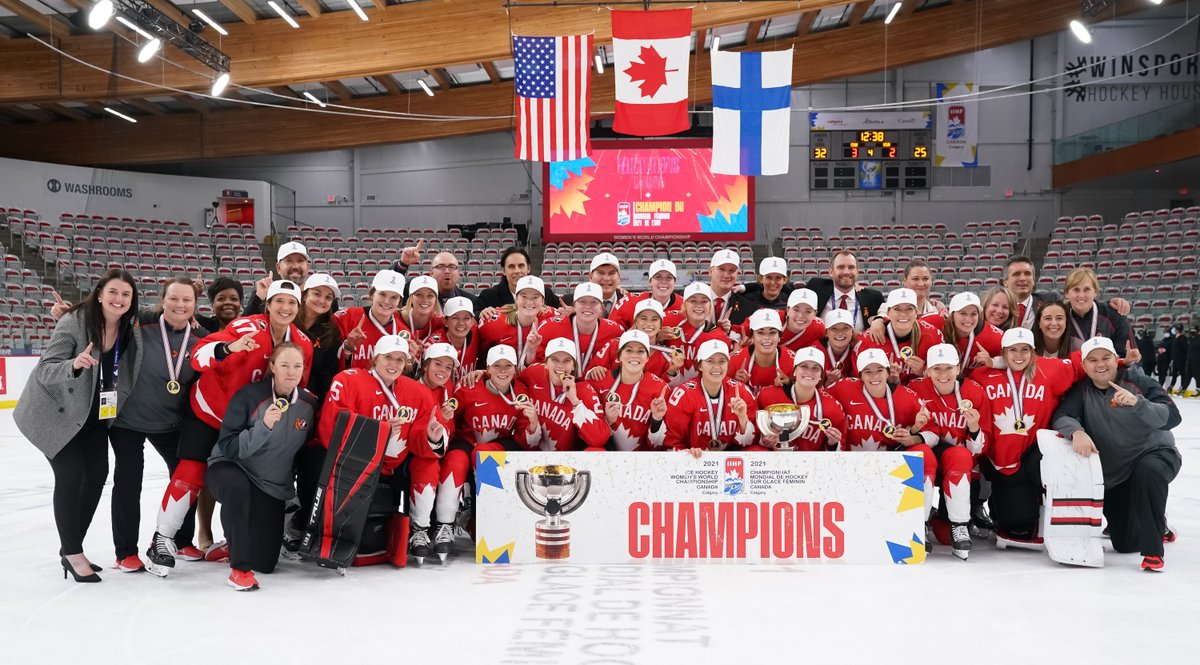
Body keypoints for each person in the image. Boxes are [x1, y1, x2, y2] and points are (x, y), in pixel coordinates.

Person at [145, 280, 313, 577]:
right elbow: (198, 355)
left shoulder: (303, 343)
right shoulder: (246, 327)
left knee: (258, 479)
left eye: (292, 303)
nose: (285, 308)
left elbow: (296, 387)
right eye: (279, 301)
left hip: (253, 423)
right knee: (192, 472)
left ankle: (237, 542)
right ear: (268, 304)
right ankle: (163, 538)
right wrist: (227, 348)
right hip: (211, 413)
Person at [15, 269, 142, 583]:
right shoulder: (74, 322)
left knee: (98, 475)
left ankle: (72, 547)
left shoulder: (130, 327)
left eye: (126, 294)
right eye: (113, 291)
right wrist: (74, 364)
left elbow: (170, 312)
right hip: (56, 413)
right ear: (99, 293)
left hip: (95, 415)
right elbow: (45, 369)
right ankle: (72, 553)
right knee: (71, 475)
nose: (119, 299)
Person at [1053, 337, 1182, 571]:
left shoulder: (1138, 381)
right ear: (1084, 366)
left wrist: (1139, 403)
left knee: (1148, 471)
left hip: (1157, 454)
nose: (1100, 364)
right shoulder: (1082, 391)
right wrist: (1077, 432)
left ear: (1116, 360)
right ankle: (1157, 525)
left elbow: (1173, 417)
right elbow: (1062, 415)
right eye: (1092, 360)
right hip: (1118, 474)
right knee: (1124, 543)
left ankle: (1153, 553)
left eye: (1105, 358)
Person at [107, 278, 209, 573]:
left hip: (172, 422)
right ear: (163, 300)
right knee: (128, 479)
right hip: (128, 420)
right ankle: (125, 551)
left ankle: (182, 539)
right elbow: (108, 312)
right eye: (174, 299)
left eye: (186, 300)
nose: (180, 305)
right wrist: (67, 314)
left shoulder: (203, 338)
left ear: (194, 305)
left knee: (185, 476)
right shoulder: (142, 324)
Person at [319, 335, 447, 564]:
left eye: (400, 360)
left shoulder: (418, 393)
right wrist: (379, 431)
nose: (394, 364)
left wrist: (432, 437)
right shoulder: (348, 380)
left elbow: (420, 438)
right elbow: (333, 425)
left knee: (428, 464)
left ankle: (419, 530)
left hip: (394, 469)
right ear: (375, 358)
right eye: (388, 357)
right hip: (353, 465)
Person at [208, 342, 317, 590]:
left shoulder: (309, 404)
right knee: (237, 487)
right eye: (285, 365)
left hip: (269, 484)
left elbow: (303, 448)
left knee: (266, 563)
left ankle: (234, 543)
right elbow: (229, 447)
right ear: (272, 367)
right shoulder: (250, 396)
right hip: (231, 467)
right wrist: (264, 428)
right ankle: (239, 569)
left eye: (297, 366)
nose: (291, 371)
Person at [969, 327, 1080, 545]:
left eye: (1024, 350)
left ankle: (1039, 504)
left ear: (1033, 352)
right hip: (996, 456)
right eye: (1013, 350)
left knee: (1021, 527)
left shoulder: (1049, 369)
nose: (1019, 356)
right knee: (1011, 523)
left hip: (1031, 455)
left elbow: (1083, 364)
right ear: (1003, 353)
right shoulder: (981, 375)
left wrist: (1122, 362)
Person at [441, 345, 540, 540]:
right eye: (497, 366)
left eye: (507, 366)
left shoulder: (520, 391)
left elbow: (526, 441)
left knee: (484, 454)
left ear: (515, 368)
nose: (502, 371)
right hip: (466, 440)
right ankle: (443, 524)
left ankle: (489, 522)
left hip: (497, 445)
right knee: (456, 462)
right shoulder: (468, 387)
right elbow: (452, 420)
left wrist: (533, 422)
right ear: (487, 368)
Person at [828, 349, 937, 523]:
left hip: (891, 470)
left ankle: (919, 524)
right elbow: (818, 397)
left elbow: (934, 433)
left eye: (879, 370)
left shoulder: (907, 397)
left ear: (888, 372)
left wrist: (914, 436)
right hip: (851, 468)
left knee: (924, 453)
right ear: (860, 375)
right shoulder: (844, 387)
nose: (874, 376)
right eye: (868, 372)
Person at [907, 344, 990, 560]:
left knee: (944, 536)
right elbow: (908, 432)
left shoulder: (975, 392)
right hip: (928, 453)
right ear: (927, 371)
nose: (943, 375)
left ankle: (958, 525)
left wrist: (974, 429)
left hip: (957, 463)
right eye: (937, 369)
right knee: (921, 453)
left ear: (958, 368)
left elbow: (979, 449)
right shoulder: (915, 389)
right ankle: (919, 524)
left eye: (948, 368)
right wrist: (916, 430)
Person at [410, 342, 460, 561]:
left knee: (457, 463)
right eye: (437, 364)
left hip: (441, 449)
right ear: (425, 366)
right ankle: (419, 529)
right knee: (427, 466)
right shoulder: (411, 388)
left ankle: (445, 525)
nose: (443, 371)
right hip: (415, 451)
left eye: (448, 367)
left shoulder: (450, 392)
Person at [582, 330, 671, 451]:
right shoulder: (600, 382)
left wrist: (656, 420)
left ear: (647, 358)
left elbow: (658, 446)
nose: (634, 355)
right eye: (629, 350)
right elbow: (588, 435)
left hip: (644, 459)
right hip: (607, 455)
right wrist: (607, 421)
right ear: (619, 356)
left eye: (641, 351)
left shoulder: (660, 389)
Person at [663, 340, 757, 451]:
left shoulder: (742, 392)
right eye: (710, 361)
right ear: (700, 365)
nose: (716, 367)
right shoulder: (683, 395)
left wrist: (742, 419)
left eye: (722, 361)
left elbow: (751, 442)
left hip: (730, 460)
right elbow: (671, 444)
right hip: (695, 460)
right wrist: (686, 454)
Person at [519, 338, 611, 451]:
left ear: (573, 366)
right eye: (555, 360)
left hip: (566, 461)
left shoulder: (584, 391)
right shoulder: (534, 373)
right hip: (528, 455)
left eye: (567, 361)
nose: (560, 366)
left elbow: (600, 438)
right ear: (546, 364)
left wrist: (575, 401)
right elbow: (512, 384)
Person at [756, 347, 846, 452]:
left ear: (821, 376)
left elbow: (842, 450)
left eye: (815, 368)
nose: (809, 372)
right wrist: (763, 441)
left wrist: (833, 443)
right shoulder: (768, 395)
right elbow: (752, 437)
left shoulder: (832, 407)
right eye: (804, 366)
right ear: (794, 371)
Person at [856, 288, 945, 385]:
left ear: (916, 313)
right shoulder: (870, 338)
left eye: (909, 309)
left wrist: (923, 371)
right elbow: (860, 380)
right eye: (897, 309)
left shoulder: (932, 335)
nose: (903, 314)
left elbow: (946, 376)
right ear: (888, 312)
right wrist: (885, 382)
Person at [532, 282, 623, 373]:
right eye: (582, 301)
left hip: (595, 385)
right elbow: (538, 362)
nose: (588, 306)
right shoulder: (550, 327)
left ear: (601, 307)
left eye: (594, 302)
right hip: (559, 382)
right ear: (574, 306)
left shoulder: (616, 331)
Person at [589, 299, 685, 383]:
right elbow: (592, 372)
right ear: (635, 321)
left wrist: (672, 371)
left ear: (660, 324)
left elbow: (667, 389)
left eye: (654, 319)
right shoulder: (615, 344)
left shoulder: (666, 355)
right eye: (643, 318)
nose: (648, 324)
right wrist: (595, 370)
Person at [335, 269, 413, 370]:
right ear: (372, 294)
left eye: (394, 297)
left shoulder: (403, 332)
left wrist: (411, 361)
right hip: (352, 384)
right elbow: (326, 360)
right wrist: (348, 348)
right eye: (382, 294)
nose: (387, 301)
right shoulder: (346, 317)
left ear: (399, 301)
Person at [478, 276, 556, 369]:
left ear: (542, 301)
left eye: (535, 297)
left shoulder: (553, 319)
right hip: (502, 380)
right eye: (524, 296)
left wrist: (572, 310)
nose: (529, 302)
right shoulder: (493, 322)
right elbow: (480, 356)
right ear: (516, 298)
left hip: (534, 380)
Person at [661, 282, 730, 384]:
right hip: (669, 387)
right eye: (693, 301)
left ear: (710, 306)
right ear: (684, 305)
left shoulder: (719, 337)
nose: (699, 306)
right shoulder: (669, 324)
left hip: (702, 393)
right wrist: (658, 336)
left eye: (704, 301)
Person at [808, 250, 884, 333]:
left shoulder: (873, 298)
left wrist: (880, 319)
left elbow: (888, 313)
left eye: (851, 267)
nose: (846, 272)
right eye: (841, 267)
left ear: (857, 272)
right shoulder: (816, 287)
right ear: (831, 272)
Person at [1062, 267, 1131, 357]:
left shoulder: (1114, 315)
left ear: (1095, 292)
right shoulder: (1060, 319)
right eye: (1076, 290)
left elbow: (1127, 356)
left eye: (1087, 289)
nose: (1081, 295)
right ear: (1067, 293)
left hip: (1109, 370)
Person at [927, 292, 1003, 372]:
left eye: (973, 314)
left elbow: (1013, 359)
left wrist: (992, 362)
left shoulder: (993, 335)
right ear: (952, 315)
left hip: (971, 382)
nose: (968, 319)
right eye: (963, 313)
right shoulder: (932, 322)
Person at [298, 273, 343, 403]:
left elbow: (328, 373)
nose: (322, 301)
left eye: (328, 297)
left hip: (308, 401)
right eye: (317, 294)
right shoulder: (289, 318)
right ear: (305, 295)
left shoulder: (331, 332)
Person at [730, 308, 796, 397]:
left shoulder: (793, 361)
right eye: (760, 333)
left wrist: (789, 385)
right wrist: (736, 383)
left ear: (779, 337)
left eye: (772, 332)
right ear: (752, 336)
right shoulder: (734, 361)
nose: (766, 338)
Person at [391, 244, 479, 308]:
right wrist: (403, 264)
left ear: (459, 273)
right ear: (431, 273)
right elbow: (389, 286)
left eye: (452, 267)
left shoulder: (471, 302)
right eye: (441, 266)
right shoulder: (414, 292)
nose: (447, 271)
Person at [477, 247, 563, 311]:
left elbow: (563, 309)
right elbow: (472, 316)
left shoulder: (545, 293)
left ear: (528, 268)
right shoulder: (488, 297)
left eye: (521, 266)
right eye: (511, 266)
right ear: (503, 271)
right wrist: (481, 314)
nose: (517, 271)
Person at [610, 259, 683, 328]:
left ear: (675, 282)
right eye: (658, 277)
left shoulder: (684, 305)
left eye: (669, 278)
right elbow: (612, 332)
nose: (663, 282)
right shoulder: (630, 302)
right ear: (650, 282)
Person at [422, 296, 480, 382]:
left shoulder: (478, 332)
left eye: (466, 318)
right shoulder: (433, 345)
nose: (461, 323)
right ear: (445, 321)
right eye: (455, 318)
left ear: (472, 321)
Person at [246, 241, 311, 315]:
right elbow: (243, 324)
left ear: (307, 267)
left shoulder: (315, 297)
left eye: (300, 261)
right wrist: (259, 298)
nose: (295, 266)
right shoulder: (265, 293)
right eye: (288, 261)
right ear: (278, 268)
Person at [399, 275, 444, 345]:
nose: (425, 300)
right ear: (411, 298)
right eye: (419, 294)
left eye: (430, 295)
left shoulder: (441, 323)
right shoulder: (396, 318)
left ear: (435, 300)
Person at [779, 288, 826, 353]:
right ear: (788, 309)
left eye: (808, 311)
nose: (801, 316)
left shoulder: (819, 328)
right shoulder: (774, 319)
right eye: (796, 310)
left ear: (814, 314)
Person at [818, 309, 858, 385]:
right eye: (834, 328)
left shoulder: (858, 349)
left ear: (852, 331)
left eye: (845, 328)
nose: (840, 333)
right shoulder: (817, 351)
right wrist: (827, 384)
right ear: (826, 332)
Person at [586, 252, 629, 318]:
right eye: (601, 273)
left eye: (611, 273)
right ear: (590, 277)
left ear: (619, 278)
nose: (606, 278)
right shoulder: (573, 303)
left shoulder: (629, 303)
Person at [1166, 326, 1190, 395]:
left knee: (1182, 374)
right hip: (1175, 359)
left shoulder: (1183, 338)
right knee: (1174, 374)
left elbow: (1186, 349)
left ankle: (1182, 387)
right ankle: (1171, 387)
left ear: (1177, 330)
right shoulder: (1174, 338)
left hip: (1181, 359)